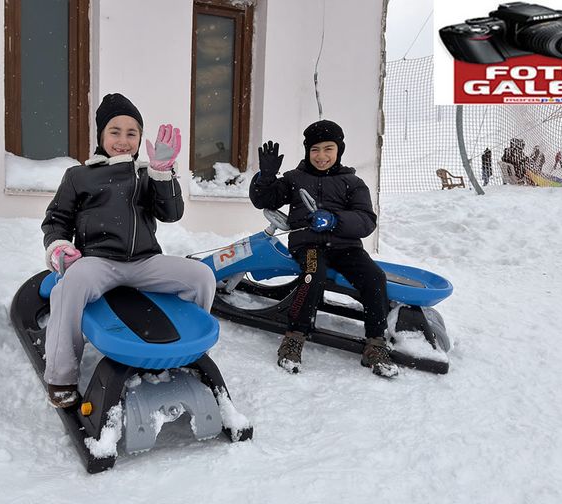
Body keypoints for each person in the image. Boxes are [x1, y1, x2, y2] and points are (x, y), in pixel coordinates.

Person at [40, 93, 217, 408]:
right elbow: (57, 220)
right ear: (101, 136)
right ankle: (61, 375)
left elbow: (171, 213)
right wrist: (59, 247)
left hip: (145, 263)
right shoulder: (79, 176)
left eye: (131, 133)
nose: (123, 140)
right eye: (115, 132)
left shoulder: (147, 174)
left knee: (201, 276)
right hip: (98, 263)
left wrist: (164, 173)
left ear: (140, 138)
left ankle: (185, 348)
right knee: (70, 286)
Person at [248, 120, 398, 378]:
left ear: (339, 150)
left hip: (345, 246)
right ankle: (295, 336)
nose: (321, 156)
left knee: (375, 278)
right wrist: (266, 177)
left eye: (328, 149)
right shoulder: (295, 178)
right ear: (307, 151)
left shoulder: (352, 182)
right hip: (309, 245)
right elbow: (264, 199)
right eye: (315, 149)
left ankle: (376, 342)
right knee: (312, 275)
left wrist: (335, 219)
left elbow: (366, 221)